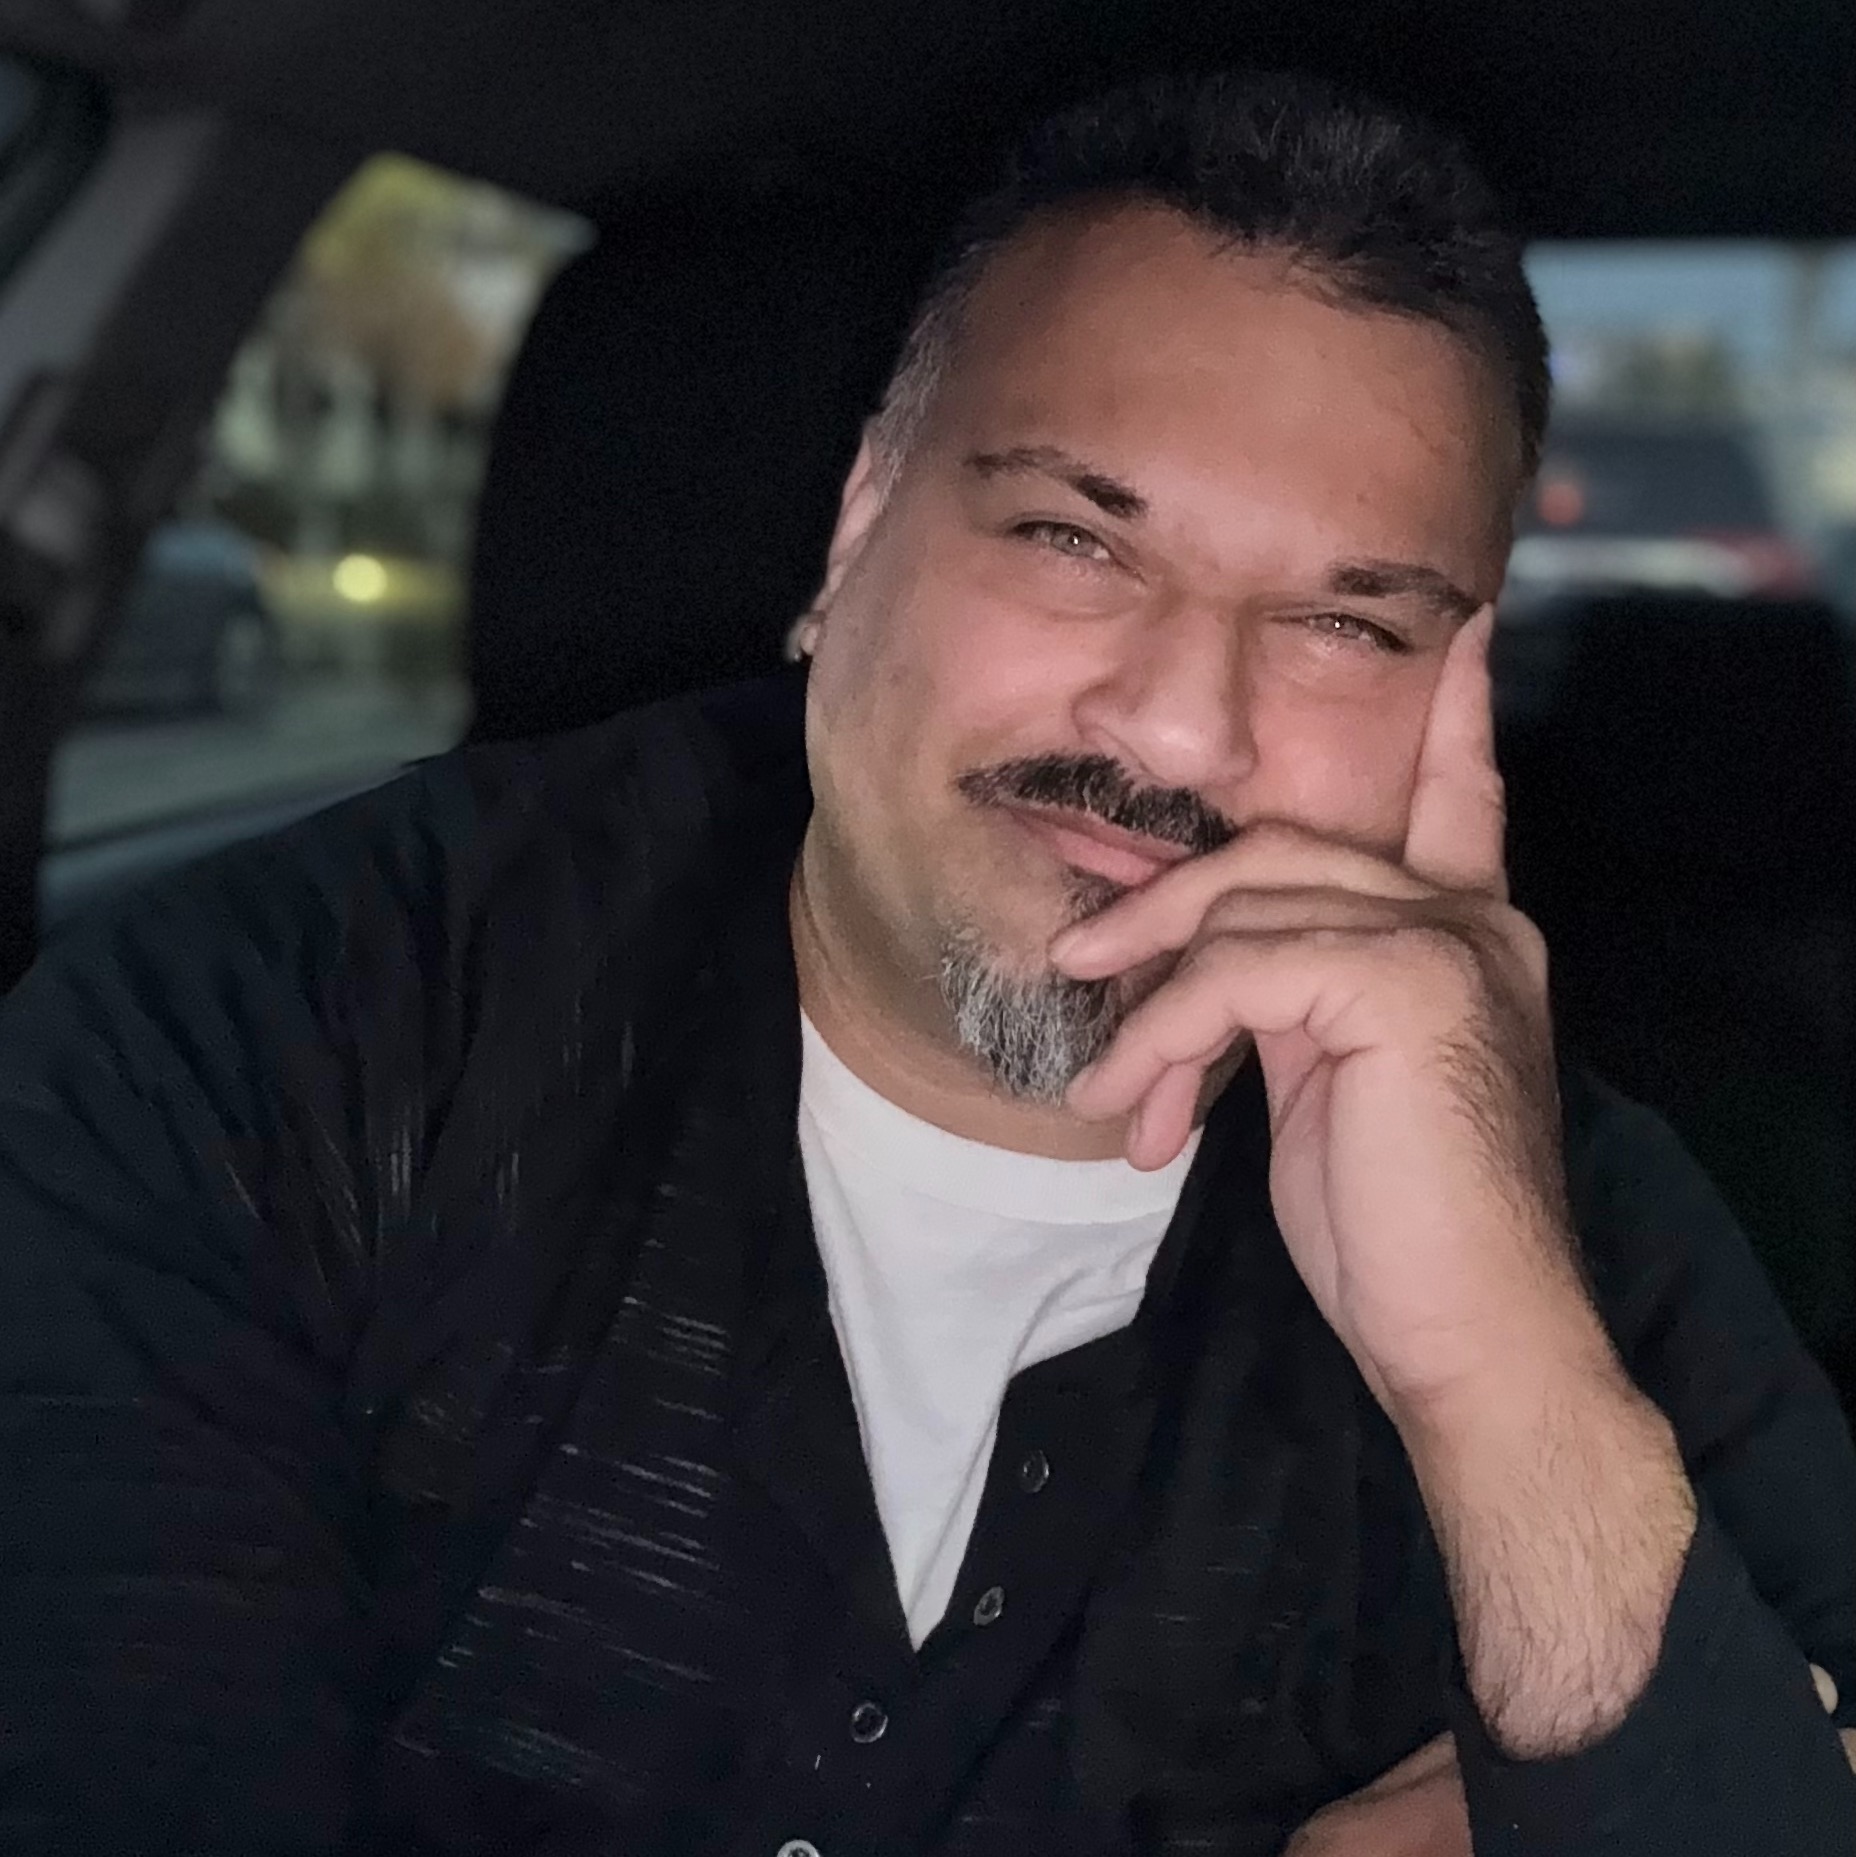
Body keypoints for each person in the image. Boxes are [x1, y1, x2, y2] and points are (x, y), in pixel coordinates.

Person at [1, 69, 1853, 1857]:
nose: (1181, 729)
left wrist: (1505, 1396)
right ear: (857, 526)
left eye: (1346, 626)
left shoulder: (1577, 1236)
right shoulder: (266, 1043)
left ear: (1459, 700)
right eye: (1073, 537)